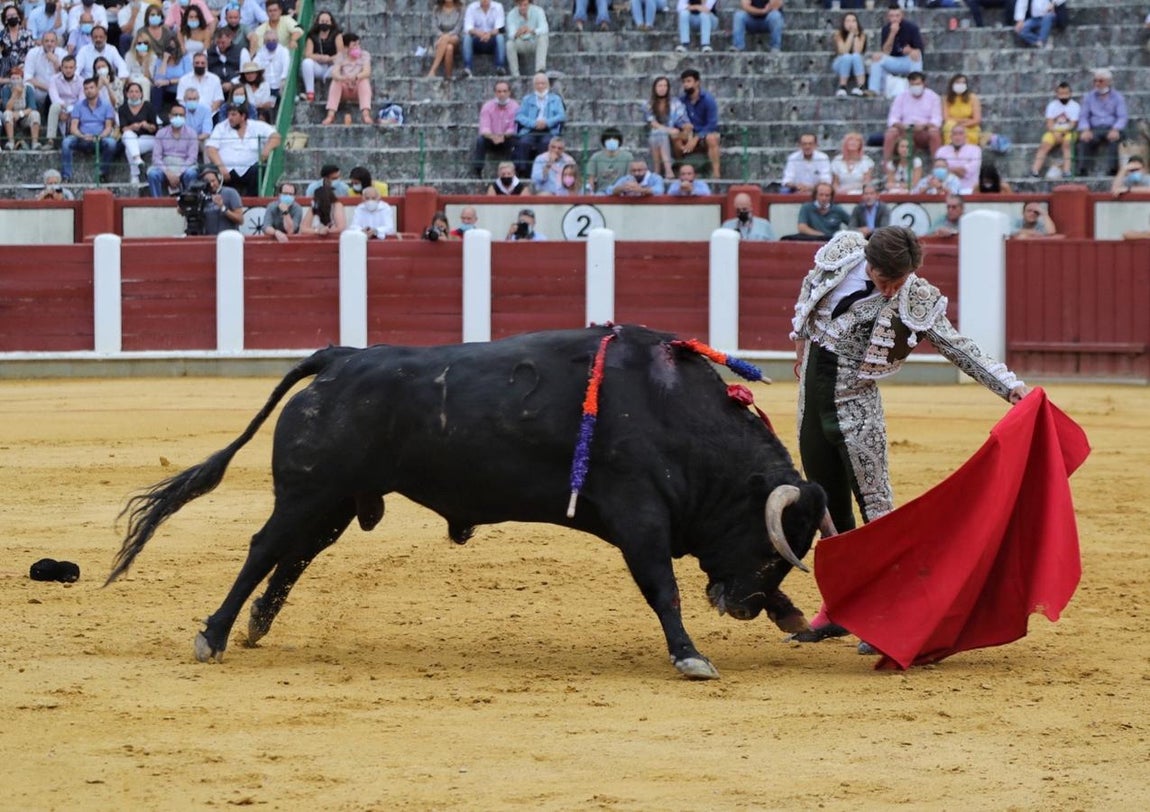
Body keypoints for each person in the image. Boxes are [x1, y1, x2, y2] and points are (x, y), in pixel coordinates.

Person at [789, 227, 1029, 647]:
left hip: (856, 409)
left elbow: (959, 347)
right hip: (811, 403)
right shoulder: (841, 255)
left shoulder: (914, 295)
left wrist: (1009, 387)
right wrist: (798, 348)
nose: (893, 291)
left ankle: (888, 614)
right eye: (886, 281)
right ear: (870, 264)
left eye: (901, 281)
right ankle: (839, 609)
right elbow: (808, 300)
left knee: (877, 512)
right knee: (827, 511)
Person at [204, 101, 279, 196]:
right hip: (226, 170)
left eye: (233, 115)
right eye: (229, 115)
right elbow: (211, 149)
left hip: (250, 169)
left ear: (243, 116)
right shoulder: (221, 127)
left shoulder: (256, 126)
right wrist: (221, 166)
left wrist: (266, 150)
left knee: (259, 170)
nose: (230, 118)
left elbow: (275, 136)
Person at [61, 76, 118, 182]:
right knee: (66, 142)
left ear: (97, 89)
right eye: (86, 89)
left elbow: (108, 127)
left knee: (111, 143)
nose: (89, 91)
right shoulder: (78, 105)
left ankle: (102, 173)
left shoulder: (106, 105)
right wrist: (82, 136)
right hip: (82, 138)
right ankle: (66, 176)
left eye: (91, 88)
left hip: (100, 139)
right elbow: (73, 128)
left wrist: (99, 137)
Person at [1077, 68, 1127, 176]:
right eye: (1095, 81)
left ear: (1108, 82)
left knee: (1115, 139)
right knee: (1084, 139)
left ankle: (1113, 170)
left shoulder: (1118, 97)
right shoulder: (1088, 97)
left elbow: (1122, 117)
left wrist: (1115, 129)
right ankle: (1082, 169)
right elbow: (1083, 116)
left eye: (1100, 81)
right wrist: (1085, 129)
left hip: (1112, 127)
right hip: (1095, 128)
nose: (1097, 84)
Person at [882, 71, 941, 164]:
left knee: (934, 132)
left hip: (923, 131)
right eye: (912, 84)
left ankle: (937, 166)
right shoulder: (901, 96)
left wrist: (924, 126)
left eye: (917, 84)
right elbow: (893, 118)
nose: (915, 87)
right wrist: (902, 126)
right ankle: (887, 166)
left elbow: (936, 120)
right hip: (905, 131)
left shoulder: (933, 97)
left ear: (924, 84)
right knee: (891, 133)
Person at [512, 71, 564, 175]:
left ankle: (543, 171)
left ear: (548, 85)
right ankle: (523, 171)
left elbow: (561, 115)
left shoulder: (556, 99)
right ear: (534, 85)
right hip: (530, 129)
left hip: (549, 130)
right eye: (537, 83)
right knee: (523, 142)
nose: (540, 86)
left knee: (546, 143)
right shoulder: (527, 99)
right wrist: (534, 123)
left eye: (543, 83)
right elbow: (519, 116)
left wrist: (547, 122)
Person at [866, 5, 924, 98]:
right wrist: (892, 33)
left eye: (897, 15)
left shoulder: (912, 28)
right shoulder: (885, 29)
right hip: (892, 60)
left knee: (917, 56)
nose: (895, 18)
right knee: (876, 57)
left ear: (902, 15)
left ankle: (916, 87)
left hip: (907, 60)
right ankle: (874, 90)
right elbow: (885, 51)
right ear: (888, 17)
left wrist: (910, 50)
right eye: (892, 16)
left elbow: (919, 50)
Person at [674, 68, 721, 178]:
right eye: (684, 82)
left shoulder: (708, 99)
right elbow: (677, 120)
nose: (686, 84)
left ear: (697, 82)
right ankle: (680, 168)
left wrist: (697, 138)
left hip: (705, 133)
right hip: (688, 133)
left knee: (712, 138)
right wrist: (685, 130)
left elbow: (712, 123)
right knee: (675, 135)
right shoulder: (681, 100)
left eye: (689, 81)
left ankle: (716, 173)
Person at [146, 100, 199, 197]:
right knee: (153, 174)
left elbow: (192, 158)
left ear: (185, 117)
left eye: (181, 115)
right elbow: (156, 158)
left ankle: (189, 203)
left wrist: (179, 173)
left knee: (191, 174)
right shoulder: (161, 133)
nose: (178, 117)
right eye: (175, 115)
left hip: (184, 165)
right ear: (169, 116)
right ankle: (157, 204)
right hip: (165, 165)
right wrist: (168, 173)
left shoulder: (191, 133)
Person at [1031, 81, 1079, 179]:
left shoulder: (1075, 106)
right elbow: (1049, 123)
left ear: (1070, 94)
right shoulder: (1052, 105)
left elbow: (1073, 124)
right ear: (1057, 94)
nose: (1063, 96)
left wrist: (1062, 133)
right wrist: (1055, 132)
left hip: (1069, 132)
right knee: (1044, 145)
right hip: (1054, 131)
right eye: (1061, 94)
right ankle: (1035, 170)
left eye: (1066, 93)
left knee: (1067, 144)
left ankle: (1067, 170)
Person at [471, 79, 518, 178]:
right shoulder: (487, 106)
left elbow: (513, 127)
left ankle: (514, 171)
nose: (502, 94)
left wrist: (503, 136)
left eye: (505, 91)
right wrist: (492, 137)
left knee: (516, 141)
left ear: (509, 92)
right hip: (491, 138)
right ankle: (477, 170)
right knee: (480, 140)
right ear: (495, 93)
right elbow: (484, 128)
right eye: (499, 91)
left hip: (506, 137)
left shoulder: (515, 106)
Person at [321, 32, 371, 125]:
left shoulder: (364, 55)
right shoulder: (341, 56)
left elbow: (367, 72)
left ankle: (366, 115)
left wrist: (356, 77)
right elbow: (334, 73)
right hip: (344, 89)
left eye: (358, 44)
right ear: (346, 47)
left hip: (357, 87)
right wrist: (343, 78)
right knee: (336, 82)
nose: (357, 47)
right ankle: (330, 115)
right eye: (354, 45)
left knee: (364, 81)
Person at [644, 75, 685, 181]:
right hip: (661, 134)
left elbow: (682, 120)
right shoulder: (648, 104)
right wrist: (668, 130)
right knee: (656, 133)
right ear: (655, 88)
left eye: (665, 86)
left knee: (656, 134)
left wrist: (678, 130)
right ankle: (667, 170)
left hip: (674, 136)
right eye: (659, 86)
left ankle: (657, 171)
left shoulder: (676, 103)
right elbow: (652, 122)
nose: (662, 88)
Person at [117, 80, 157, 184]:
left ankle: (134, 175)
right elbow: (123, 129)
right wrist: (132, 127)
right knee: (128, 135)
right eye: (131, 91)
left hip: (147, 138)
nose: (134, 94)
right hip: (131, 137)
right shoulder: (123, 108)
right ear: (127, 94)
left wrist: (146, 125)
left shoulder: (148, 106)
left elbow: (155, 128)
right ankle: (137, 159)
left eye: (136, 91)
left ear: (141, 93)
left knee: (129, 148)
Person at [24, 30, 68, 113]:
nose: (49, 44)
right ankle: (33, 113)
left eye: (52, 41)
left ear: (56, 43)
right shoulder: (33, 53)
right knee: (27, 85)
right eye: (46, 41)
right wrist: (48, 88)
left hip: (57, 91)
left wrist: (56, 62)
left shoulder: (63, 54)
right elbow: (28, 78)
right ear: (42, 42)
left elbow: (65, 78)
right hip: (38, 89)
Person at [460, 0, 506, 79]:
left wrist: (489, 34)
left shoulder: (498, 7)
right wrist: (480, 34)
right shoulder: (471, 8)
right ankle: (467, 68)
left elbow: (500, 28)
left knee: (500, 37)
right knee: (467, 37)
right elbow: (468, 28)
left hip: (492, 40)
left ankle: (500, 68)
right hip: (477, 40)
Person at [47, 54, 83, 151]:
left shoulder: (81, 81)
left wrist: (71, 112)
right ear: (61, 68)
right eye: (66, 67)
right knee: (54, 106)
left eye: (71, 67)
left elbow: (81, 100)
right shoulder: (54, 79)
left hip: (75, 110)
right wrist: (65, 109)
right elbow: (54, 97)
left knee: (82, 108)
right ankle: (50, 140)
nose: (68, 70)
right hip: (60, 107)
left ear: (75, 68)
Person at [2, 65, 43, 150]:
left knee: (35, 114)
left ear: (22, 79)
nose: (15, 81)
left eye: (18, 78)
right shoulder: (6, 89)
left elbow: (32, 107)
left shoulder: (28, 89)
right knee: (7, 114)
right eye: (13, 79)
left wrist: (20, 114)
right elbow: (7, 108)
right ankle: (11, 142)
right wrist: (14, 95)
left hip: (24, 116)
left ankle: (35, 143)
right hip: (11, 117)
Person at [505, 0, 547, 79]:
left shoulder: (538, 11)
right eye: (520, 5)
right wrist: (518, 32)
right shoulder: (511, 14)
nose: (523, 7)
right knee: (509, 44)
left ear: (529, 4)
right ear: (516, 4)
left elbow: (544, 28)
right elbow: (510, 34)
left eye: (525, 5)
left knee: (543, 38)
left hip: (534, 41)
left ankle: (540, 71)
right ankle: (515, 75)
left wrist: (532, 31)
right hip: (520, 42)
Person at [197, 165, 244, 235]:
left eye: (213, 181)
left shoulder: (230, 193)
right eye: (207, 182)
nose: (211, 184)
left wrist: (223, 208)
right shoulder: (201, 195)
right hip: (208, 239)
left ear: (218, 179)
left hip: (228, 238)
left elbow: (240, 220)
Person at [934, 124, 981, 194]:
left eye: (961, 133)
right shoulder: (942, 150)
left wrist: (947, 169)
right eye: (955, 134)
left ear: (965, 136)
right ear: (950, 136)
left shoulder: (975, 150)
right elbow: (939, 172)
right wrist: (957, 170)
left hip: (969, 190)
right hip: (947, 190)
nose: (958, 137)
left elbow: (966, 172)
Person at [585, 127, 633, 194]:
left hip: (621, 191)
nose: (611, 140)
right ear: (604, 141)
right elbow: (591, 179)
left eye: (614, 138)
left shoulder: (628, 157)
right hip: (602, 192)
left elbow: (629, 177)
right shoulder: (595, 157)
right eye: (608, 139)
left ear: (619, 141)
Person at [176, 51, 224, 116]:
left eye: (202, 63)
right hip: (189, 115)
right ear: (192, 64)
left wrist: (206, 114)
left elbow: (218, 100)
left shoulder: (215, 79)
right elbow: (181, 101)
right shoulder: (183, 80)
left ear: (206, 64)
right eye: (197, 63)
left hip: (211, 115)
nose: (200, 65)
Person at [831, 12, 867, 98]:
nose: (851, 23)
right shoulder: (838, 34)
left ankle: (861, 87)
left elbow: (858, 51)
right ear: (843, 23)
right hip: (840, 63)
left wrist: (855, 36)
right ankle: (842, 87)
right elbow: (843, 51)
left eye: (853, 21)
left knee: (856, 56)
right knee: (847, 57)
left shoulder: (862, 34)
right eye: (848, 21)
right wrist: (851, 34)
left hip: (856, 65)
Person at [252, 27, 291, 104]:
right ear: (264, 42)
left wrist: (283, 80)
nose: (271, 42)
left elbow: (286, 67)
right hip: (266, 87)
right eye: (268, 41)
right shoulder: (260, 53)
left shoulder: (283, 51)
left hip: (280, 85)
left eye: (274, 40)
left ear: (277, 41)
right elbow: (255, 66)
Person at [427, 0, 462, 81]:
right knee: (449, 48)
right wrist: (442, 36)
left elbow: (458, 28)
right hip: (440, 39)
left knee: (447, 39)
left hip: (455, 38)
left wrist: (446, 36)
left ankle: (433, 70)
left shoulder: (460, 9)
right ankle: (448, 76)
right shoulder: (436, 9)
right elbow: (434, 28)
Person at [941, 73, 981, 145]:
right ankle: (951, 150)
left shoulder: (973, 98)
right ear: (952, 84)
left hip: (969, 126)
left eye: (963, 82)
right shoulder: (946, 98)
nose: (961, 84)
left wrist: (962, 126)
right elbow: (946, 118)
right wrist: (962, 121)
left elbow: (977, 119)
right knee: (948, 125)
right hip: (952, 126)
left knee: (966, 131)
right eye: (958, 82)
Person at [207, 25, 245, 100]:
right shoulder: (208, 53)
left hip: (236, 88)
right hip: (214, 88)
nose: (220, 45)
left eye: (223, 43)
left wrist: (232, 83)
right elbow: (206, 72)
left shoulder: (242, 52)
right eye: (218, 43)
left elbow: (245, 72)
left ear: (230, 38)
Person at [830, 131, 873, 196]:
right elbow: (835, 183)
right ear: (845, 144)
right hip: (841, 193)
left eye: (857, 141)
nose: (853, 143)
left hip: (860, 193)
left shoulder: (866, 161)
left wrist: (849, 188)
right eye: (850, 140)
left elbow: (867, 182)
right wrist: (838, 191)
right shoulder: (837, 160)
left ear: (860, 145)